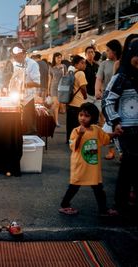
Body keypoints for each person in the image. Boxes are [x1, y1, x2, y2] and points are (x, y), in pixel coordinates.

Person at [59, 103, 121, 216]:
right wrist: (80, 135)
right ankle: (64, 205)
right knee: (73, 187)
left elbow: (106, 137)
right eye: (81, 114)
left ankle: (103, 210)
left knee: (99, 189)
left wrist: (115, 134)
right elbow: (74, 147)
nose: (82, 118)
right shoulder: (75, 131)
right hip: (80, 166)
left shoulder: (96, 130)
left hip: (93, 167)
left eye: (86, 116)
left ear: (93, 117)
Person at [102, 36, 138, 215]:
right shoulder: (122, 76)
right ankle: (121, 203)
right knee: (128, 166)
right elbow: (107, 100)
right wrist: (115, 122)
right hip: (127, 129)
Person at [95, 39, 123, 160]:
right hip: (108, 99)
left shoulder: (123, 62)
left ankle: (122, 151)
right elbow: (99, 79)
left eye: (108, 50)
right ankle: (112, 151)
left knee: (120, 124)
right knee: (110, 123)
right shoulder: (104, 64)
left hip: (122, 99)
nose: (106, 52)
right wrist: (97, 91)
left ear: (114, 51)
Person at [66, 55, 88, 144]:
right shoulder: (81, 73)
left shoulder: (71, 73)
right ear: (76, 64)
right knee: (77, 124)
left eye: (84, 63)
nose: (84, 65)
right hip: (78, 103)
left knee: (70, 124)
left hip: (70, 102)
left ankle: (70, 140)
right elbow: (83, 87)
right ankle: (76, 141)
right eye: (82, 63)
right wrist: (85, 96)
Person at [48, 52, 67, 127]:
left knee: (61, 108)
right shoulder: (51, 67)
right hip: (54, 87)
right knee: (56, 104)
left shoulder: (64, 66)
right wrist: (48, 90)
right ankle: (56, 122)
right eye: (57, 57)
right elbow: (50, 79)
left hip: (62, 88)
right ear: (54, 58)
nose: (59, 59)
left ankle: (49, 113)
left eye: (60, 57)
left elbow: (66, 76)